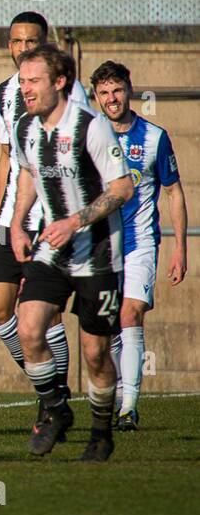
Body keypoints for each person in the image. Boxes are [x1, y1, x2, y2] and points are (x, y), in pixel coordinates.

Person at [10, 44, 132, 462]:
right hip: (52, 253)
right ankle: (57, 410)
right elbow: (28, 173)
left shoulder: (90, 127)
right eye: (22, 81)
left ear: (59, 82)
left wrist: (75, 221)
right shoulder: (26, 128)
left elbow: (122, 188)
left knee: (95, 354)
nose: (26, 89)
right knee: (28, 328)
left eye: (34, 81)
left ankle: (101, 434)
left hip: (98, 254)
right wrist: (17, 224)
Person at [0, 12, 89, 420]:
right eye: (16, 41)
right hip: (12, 216)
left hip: (52, 216)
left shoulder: (68, 90)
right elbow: (7, 157)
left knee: (43, 312)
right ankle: (50, 390)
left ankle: (53, 402)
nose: (23, 48)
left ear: (45, 44)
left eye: (31, 42)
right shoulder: (3, 93)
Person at [89, 61, 188, 430]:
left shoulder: (154, 137)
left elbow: (173, 191)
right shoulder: (91, 134)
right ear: (96, 97)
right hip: (99, 245)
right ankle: (118, 397)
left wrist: (180, 248)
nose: (112, 99)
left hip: (140, 242)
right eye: (104, 93)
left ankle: (129, 406)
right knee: (109, 324)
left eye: (117, 90)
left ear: (129, 90)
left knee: (131, 313)